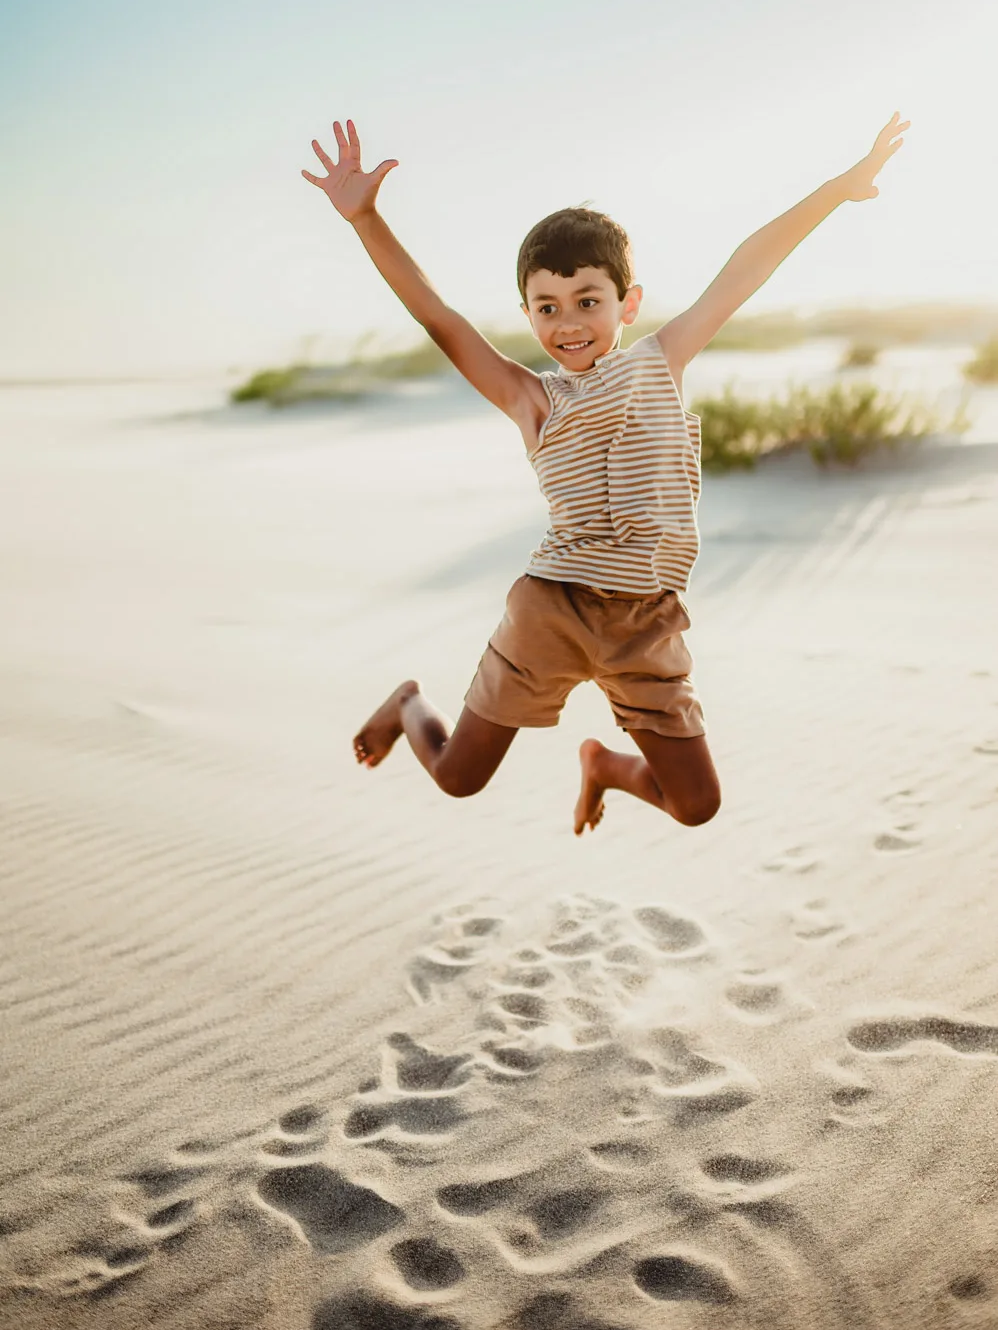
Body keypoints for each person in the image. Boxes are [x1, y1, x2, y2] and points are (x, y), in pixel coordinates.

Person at [303, 114, 908, 835]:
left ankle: (607, 766)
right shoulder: (531, 399)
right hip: (553, 609)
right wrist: (366, 218)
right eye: (546, 308)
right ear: (527, 313)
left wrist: (836, 190)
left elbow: (746, 268)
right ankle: (407, 704)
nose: (568, 324)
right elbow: (438, 317)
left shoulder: (661, 360)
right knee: (461, 779)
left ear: (628, 302)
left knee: (697, 804)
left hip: (646, 621)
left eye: (587, 300)